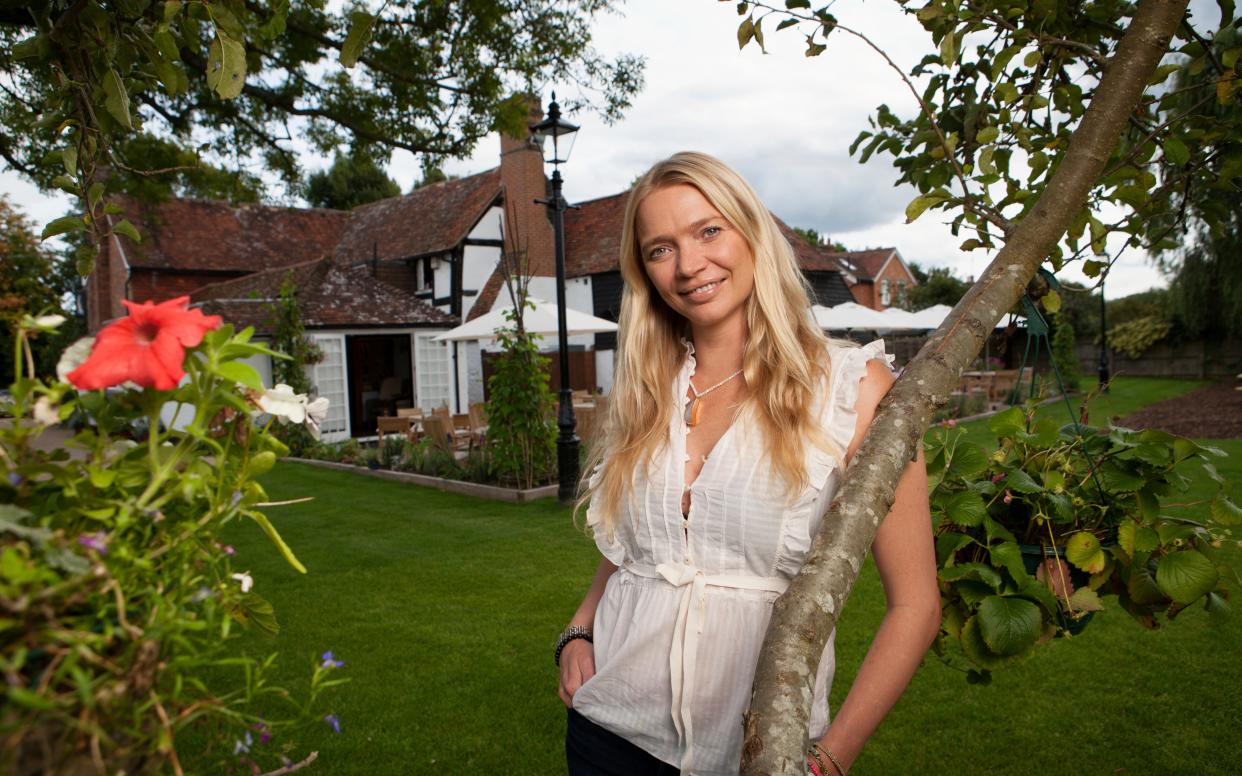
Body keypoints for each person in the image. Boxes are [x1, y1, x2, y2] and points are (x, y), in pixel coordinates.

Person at [556, 152, 939, 776]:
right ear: (645, 271)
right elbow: (639, 541)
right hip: (608, 733)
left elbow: (916, 606)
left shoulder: (854, 391)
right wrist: (579, 629)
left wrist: (833, 758)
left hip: (756, 755)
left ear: (750, 232)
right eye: (660, 249)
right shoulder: (646, 389)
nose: (688, 266)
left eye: (709, 231)